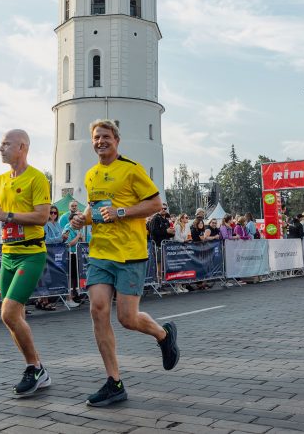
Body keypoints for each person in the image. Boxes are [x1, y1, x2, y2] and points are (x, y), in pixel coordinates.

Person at [70, 119, 179, 407]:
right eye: (96, 137)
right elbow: (96, 209)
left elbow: (155, 204)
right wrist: (84, 217)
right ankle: (114, 382)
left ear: (116, 140)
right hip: (100, 253)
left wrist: (121, 211)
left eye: (105, 136)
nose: (100, 141)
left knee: (127, 319)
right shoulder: (91, 174)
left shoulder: (131, 169)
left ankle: (163, 334)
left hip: (130, 253)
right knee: (98, 309)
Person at [0, 129, 52, 397]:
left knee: (8, 312)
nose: (0, 148)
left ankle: (34, 367)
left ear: (22, 147)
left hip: (31, 253)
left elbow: (42, 217)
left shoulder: (37, 178)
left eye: (6, 144)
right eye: (0, 144)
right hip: (7, 253)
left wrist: (4, 214)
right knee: (11, 318)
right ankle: (37, 368)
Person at [59, 201, 86, 308]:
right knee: (70, 277)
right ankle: (69, 297)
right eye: (75, 220)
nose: (77, 221)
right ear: (70, 220)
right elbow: (69, 244)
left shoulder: (78, 229)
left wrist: (81, 236)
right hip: (70, 255)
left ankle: (75, 295)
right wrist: (78, 237)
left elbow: (83, 241)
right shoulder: (67, 229)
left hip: (77, 255)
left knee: (76, 277)